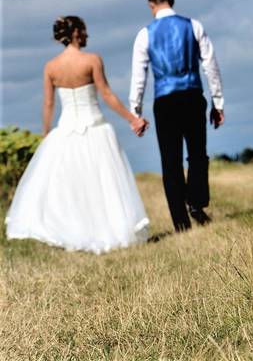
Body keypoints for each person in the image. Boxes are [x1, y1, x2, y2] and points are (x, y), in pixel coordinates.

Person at [5, 16, 151, 253]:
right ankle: (104, 230)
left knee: (71, 186)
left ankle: (72, 230)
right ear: (75, 33)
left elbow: (48, 104)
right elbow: (107, 95)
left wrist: (45, 134)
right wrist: (132, 119)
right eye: (84, 31)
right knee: (101, 184)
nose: (86, 35)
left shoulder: (51, 67)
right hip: (96, 128)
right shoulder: (92, 60)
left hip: (66, 130)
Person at [129, 0, 224, 232]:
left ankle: (181, 223)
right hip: (192, 95)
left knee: (170, 162)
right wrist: (218, 102)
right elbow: (210, 66)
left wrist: (135, 111)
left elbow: (139, 76)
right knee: (197, 154)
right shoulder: (194, 26)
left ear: (151, 6)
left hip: (165, 102)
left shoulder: (144, 34)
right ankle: (196, 202)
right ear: (172, 0)